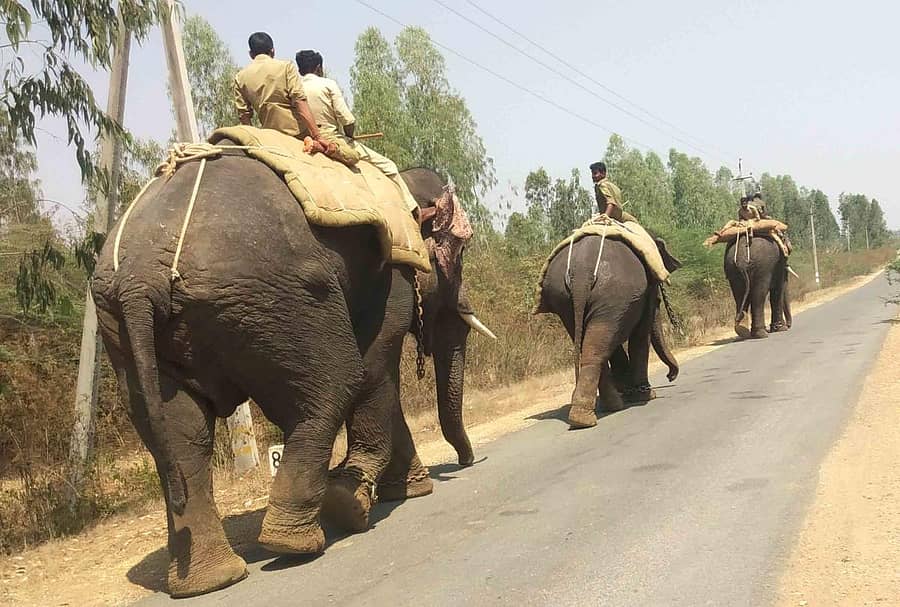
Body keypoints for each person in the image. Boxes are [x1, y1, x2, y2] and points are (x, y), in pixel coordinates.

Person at [295, 49, 428, 221]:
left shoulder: (295, 88)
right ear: (319, 68)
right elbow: (348, 120)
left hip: (303, 137)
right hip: (331, 136)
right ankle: (414, 211)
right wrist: (349, 136)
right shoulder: (328, 84)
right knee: (389, 166)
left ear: (299, 70)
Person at [233, 33, 333, 154]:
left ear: (251, 54)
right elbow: (299, 101)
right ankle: (313, 143)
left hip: (269, 135)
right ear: (273, 51)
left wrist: (254, 142)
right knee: (345, 152)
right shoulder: (286, 67)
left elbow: (244, 115)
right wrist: (317, 136)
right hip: (297, 132)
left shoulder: (240, 77)